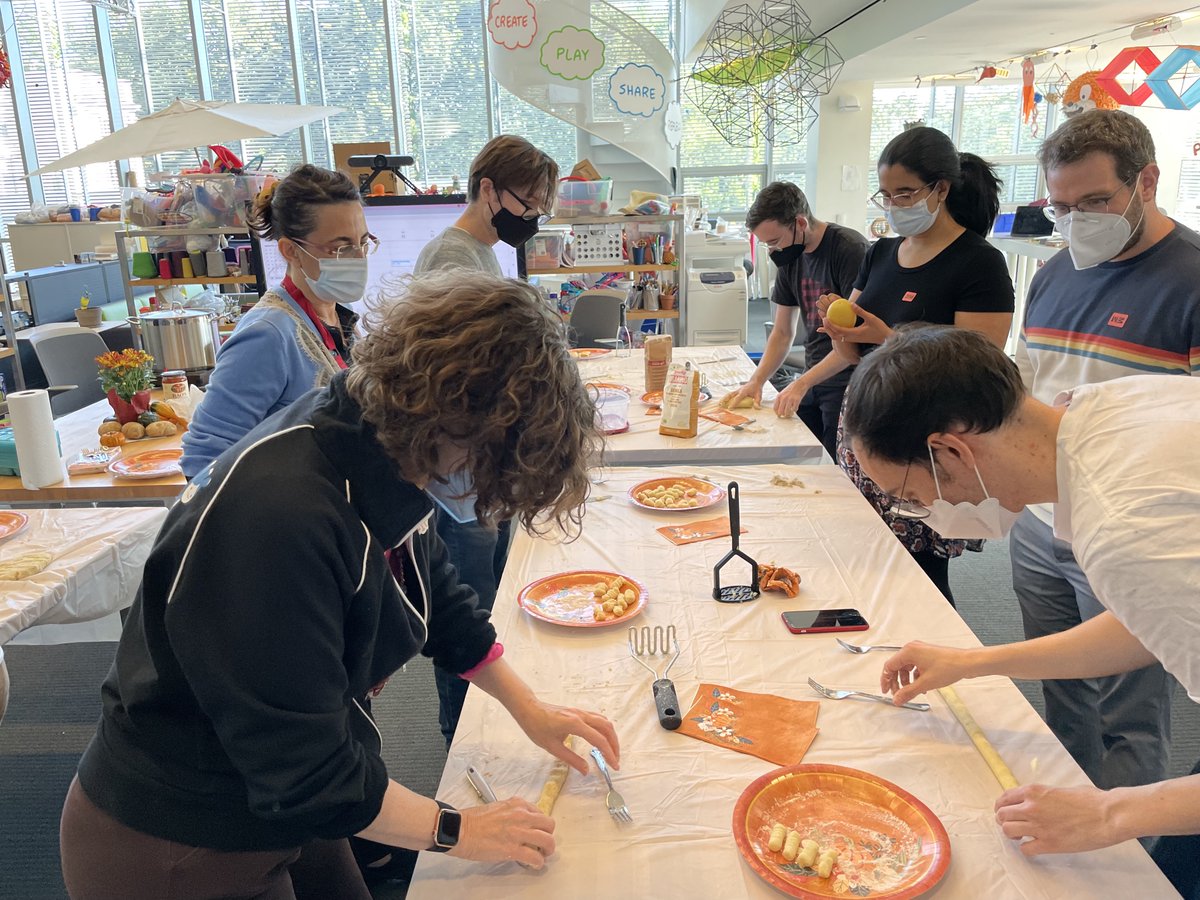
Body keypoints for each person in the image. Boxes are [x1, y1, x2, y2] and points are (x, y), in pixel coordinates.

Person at [60, 272, 620, 899]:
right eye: (484, 466)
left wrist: (529, 708)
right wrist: (456, 830)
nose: (478, 489)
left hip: (288, 776)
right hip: (180, 836)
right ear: (454, 421)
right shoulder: (282, 519)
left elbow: (435, 592)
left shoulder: (378, 438)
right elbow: (306, 772)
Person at [839, 324, 1200, 898]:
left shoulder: (1125, 527)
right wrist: (972, 662)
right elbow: (1145, 625)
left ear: (950, 451)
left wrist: (1109, 815)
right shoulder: (1105, 409)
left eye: (911, 495)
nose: (924, 511)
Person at [1010, 108, 1200, 793]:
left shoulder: (1191, 278)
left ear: (1146, 181)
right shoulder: (1055, 274)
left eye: (1094, 202)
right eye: (1060, 206)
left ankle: (1126, 857)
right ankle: (1071, 814)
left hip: (1131, 534)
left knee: (1130, 711)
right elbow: (1027, 383)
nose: (1075, 221)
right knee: (1061, 692)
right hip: (1038, 522)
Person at [816, 126, 1015, 603]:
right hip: (868, 425)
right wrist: (842, 332)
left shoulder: (978, 263)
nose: (893, 205)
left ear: (940, 189)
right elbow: (853, 352)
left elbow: (975, 374)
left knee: (919, 573)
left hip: (924, 442)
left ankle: (938, 666)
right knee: (867, 558)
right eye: (885, 194)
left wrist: (887, 338)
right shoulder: (882, 252)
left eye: (904, 193)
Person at [412, 135, 559, 747]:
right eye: (526, 205)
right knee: (466, 620)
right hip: (457, 481)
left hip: (481, 474)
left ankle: (489, 725)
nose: (529, 218)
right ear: (488, 189)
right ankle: (461, 742)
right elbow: (460, 385)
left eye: (538, 210)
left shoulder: (482, 251)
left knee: (490, 611)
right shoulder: (452, 259)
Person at [181, 164, 370, 478]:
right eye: (340, 248)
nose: (359, 258)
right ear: (290, 251)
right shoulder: (268, 334)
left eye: (363, 242)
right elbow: (204, 460)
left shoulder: (340, 314)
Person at [722, 181, 868, 456]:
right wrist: (757, 380)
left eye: (775, 241)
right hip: (814, 372)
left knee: (835, 465)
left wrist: (800, 384)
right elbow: (782, 332)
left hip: (848, 381)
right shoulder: (791, 257)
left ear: (800, 223)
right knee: (798, 450)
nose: (772, 251)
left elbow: (853, 345)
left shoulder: (849, 250)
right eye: (766, 244)